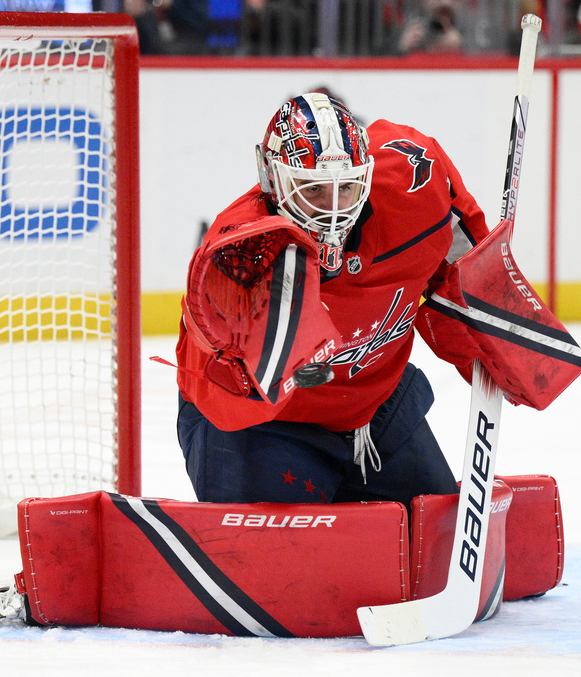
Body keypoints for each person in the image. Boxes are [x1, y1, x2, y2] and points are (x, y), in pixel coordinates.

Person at [174, 93, 488, 513]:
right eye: (314, 190)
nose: (333, 210)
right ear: (272, 179)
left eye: (348, 188)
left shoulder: (415, 186)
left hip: (374, 410)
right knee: (280, 570)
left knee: (437, 547)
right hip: (264, 428)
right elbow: (222, 383)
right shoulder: (240, 259)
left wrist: (489, 347)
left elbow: (457, 268)